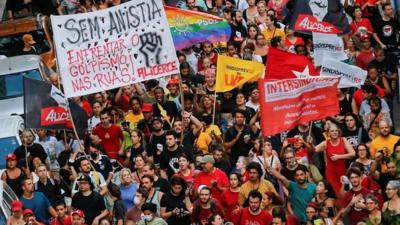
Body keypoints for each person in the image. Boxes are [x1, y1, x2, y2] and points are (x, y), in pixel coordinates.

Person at [312, 123, 356, 196]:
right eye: (332, 131)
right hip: (331, 173)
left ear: (338, 132)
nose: (334, 132)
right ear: (328, 133)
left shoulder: (343, 140)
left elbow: (353, 154)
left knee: (344, 193)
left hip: (342, 172)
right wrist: (310, 143)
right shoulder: (326, 143)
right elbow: (314, 150)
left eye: (336, 131)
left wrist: (339, 157)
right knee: (334, 193)